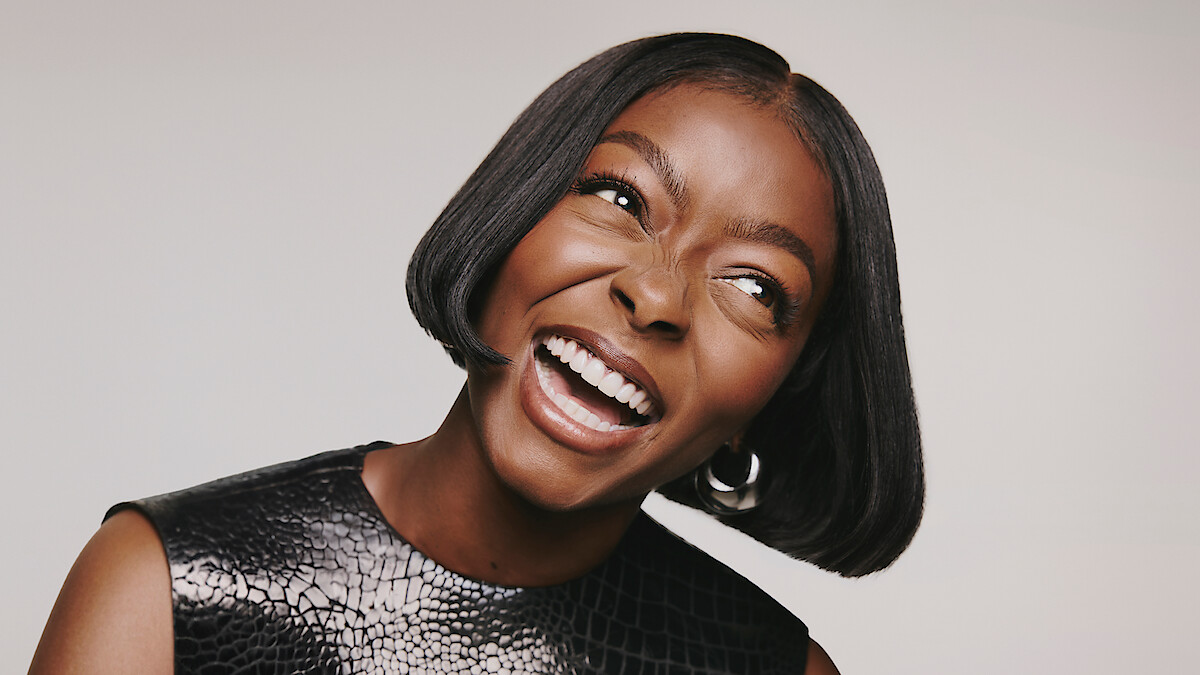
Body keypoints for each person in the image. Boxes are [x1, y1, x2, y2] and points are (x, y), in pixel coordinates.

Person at [30, 33, 923, 674]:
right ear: (510, 220)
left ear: (771, 400)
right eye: (620, 196)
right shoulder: (165, 590)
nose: (656, 294)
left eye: (755, 286)